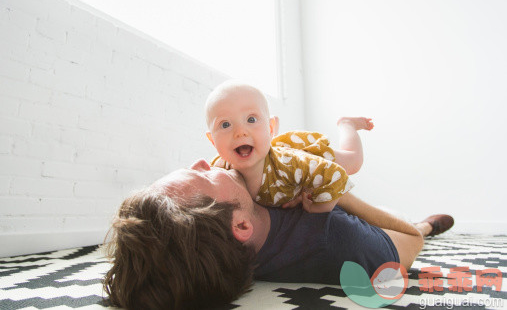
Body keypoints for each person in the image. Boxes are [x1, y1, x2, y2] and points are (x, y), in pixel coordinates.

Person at [103, 159, 454, 309]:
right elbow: (410, 240)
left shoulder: (221, 244)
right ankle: (427, 219)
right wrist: (336, 192)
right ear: (241, 226)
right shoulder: (339, 238)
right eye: (206, 177)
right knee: (409, 225)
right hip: (383, 230)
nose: (201, 162)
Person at [205, 81, 374, 213]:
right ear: (212, 141)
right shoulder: (219, 169)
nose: (240, 132)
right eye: (225, 124)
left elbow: (336, 177)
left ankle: (346, 124)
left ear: (270, 128)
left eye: (251, 120)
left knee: (354, 160)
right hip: (274, 153)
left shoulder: (291, 164)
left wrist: (318, 209)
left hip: (302, 151)